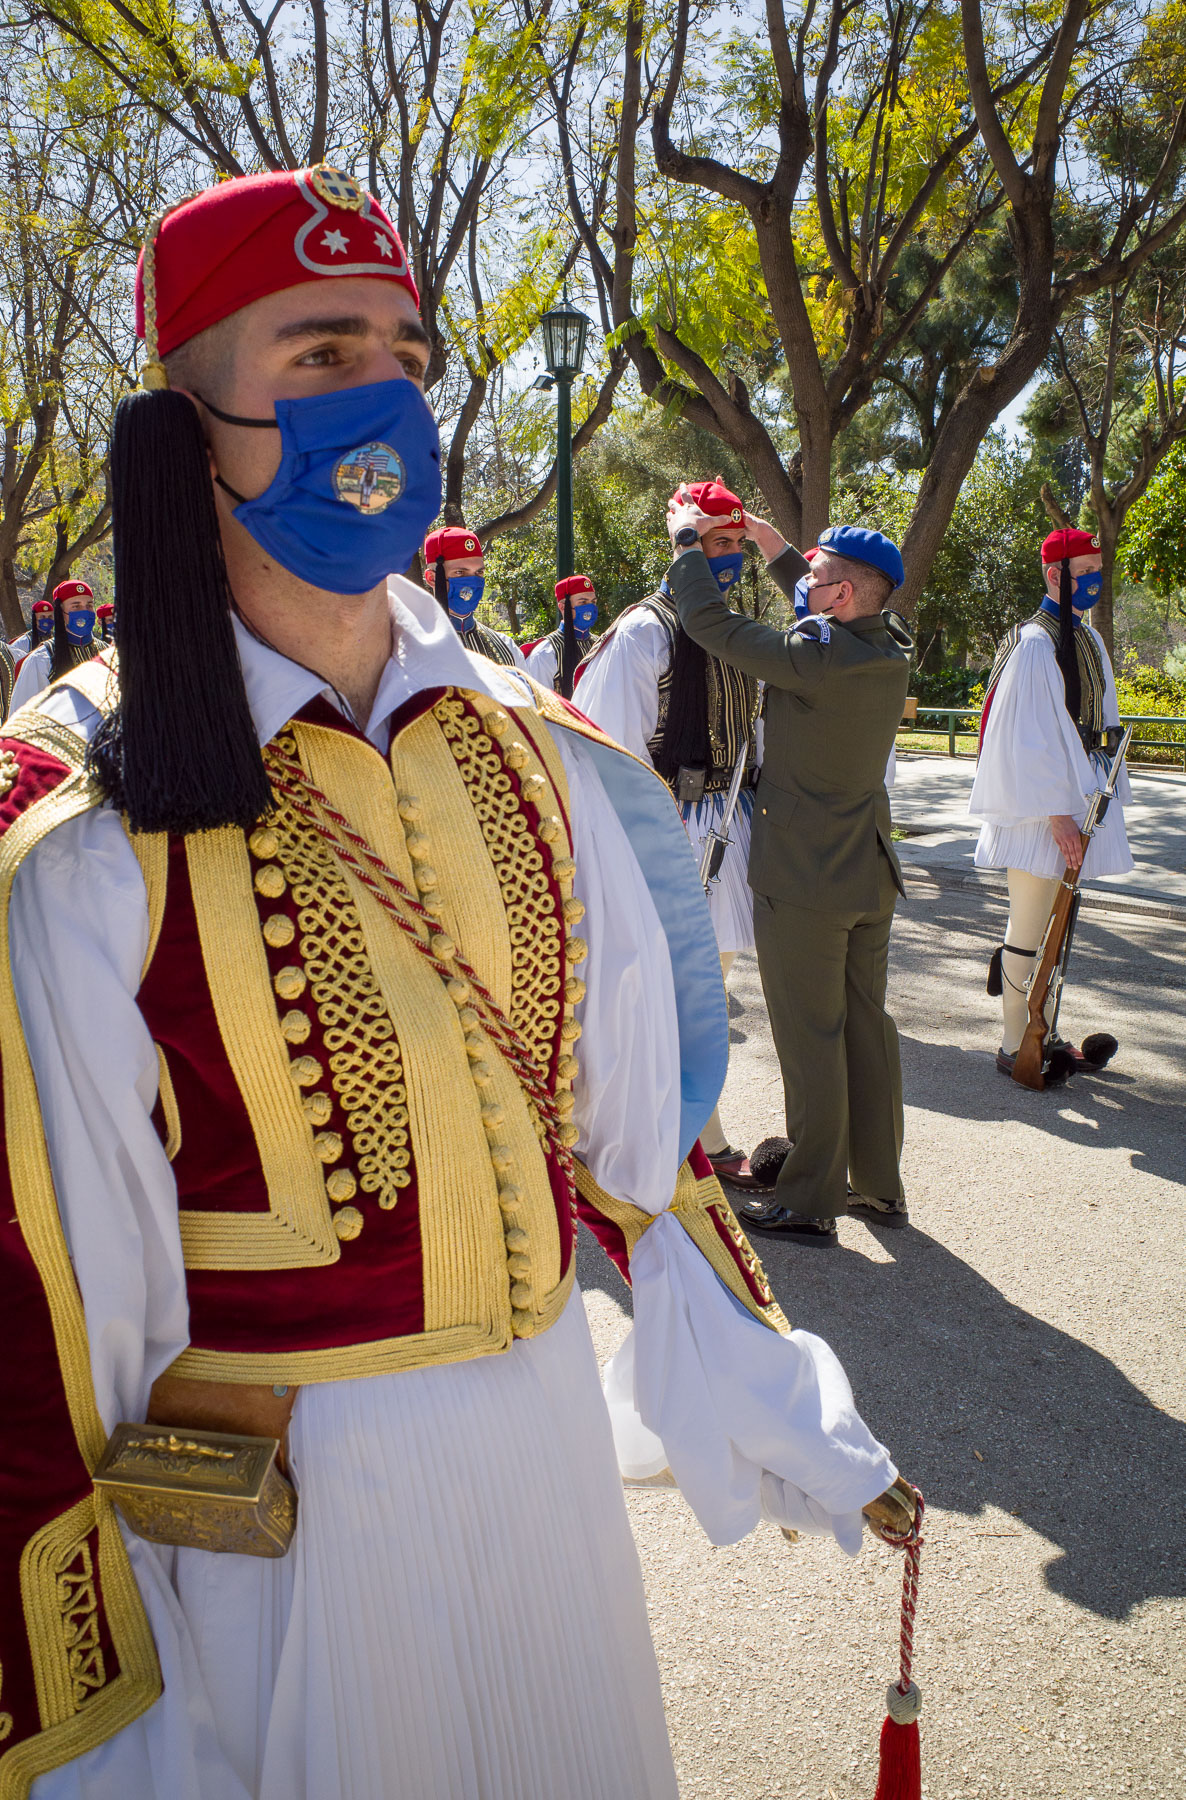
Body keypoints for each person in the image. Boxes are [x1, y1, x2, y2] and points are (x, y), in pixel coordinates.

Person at [0, 165, 914, 1800]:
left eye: (406, 354)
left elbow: (639, 1155)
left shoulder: (531, 750)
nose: (385, 398)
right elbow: (61, 1329)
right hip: (283, 1560)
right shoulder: (74, 827)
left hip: (539, 1473)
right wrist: (115, 1727)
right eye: (320, 350)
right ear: (187, 415)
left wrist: (792, 1411)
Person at [664, 508, 914, 1245]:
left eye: (816, 575)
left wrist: (687, 544)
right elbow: (825, 604)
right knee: (867, 1029)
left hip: (807, 878)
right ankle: (878, 1186)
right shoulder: (887, 643)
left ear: (839, 597)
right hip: (866, 873)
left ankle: (807, 1199)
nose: (804, 579)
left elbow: (714, 626)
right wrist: (778, 549)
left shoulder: (818, 656)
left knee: (812, 1037)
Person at [578, 480, 803, 1192]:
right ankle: (686, 1135)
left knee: (709, 986)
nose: (729, 558)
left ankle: (686, 1127)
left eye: (736, 544)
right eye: (717, 544)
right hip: (664, 823)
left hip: (727, 825)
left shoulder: (733, 630)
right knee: (662, 991)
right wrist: (647, 837)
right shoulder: (647, 629)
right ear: (685, 547)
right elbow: (607, 742)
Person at [969, 525, 1131, 1078]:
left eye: (1096, 571)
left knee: (1059, 922)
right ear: (1053, 575)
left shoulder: (1087, 638)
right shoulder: (1035, 642)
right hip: (1040, 811)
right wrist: (1058, 814)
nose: (1093, 581)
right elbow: (1026, 737)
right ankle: (1016, 1040)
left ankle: (1047, 1027)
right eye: (1083, 573)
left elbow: (1098, 725)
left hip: (1077, 799)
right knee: (1031, 920)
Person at [422, 523, 526, 667]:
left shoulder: (507, 648)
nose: (472, 582)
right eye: (460, 572)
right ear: (431, 578)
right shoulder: (409, 645)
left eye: (479, 573)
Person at [10, 578, 98, 709]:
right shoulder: (41, 660)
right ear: (60, 613)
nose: (84, 611)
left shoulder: (106, 652)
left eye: (89, 605)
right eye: (76, 606)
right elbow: (23, 716)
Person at [524, 574, 601, 693]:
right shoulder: (546, 653)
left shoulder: (600, 645)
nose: (590, 607)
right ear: (562, 607)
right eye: (583, 602)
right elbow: (540, 703)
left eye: (593, 602)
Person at [9, 596, 54, 663]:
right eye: (42, 617)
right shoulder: (23, 642)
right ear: (35, 619)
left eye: (50, 616)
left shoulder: (57, 637)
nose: (46, 620)